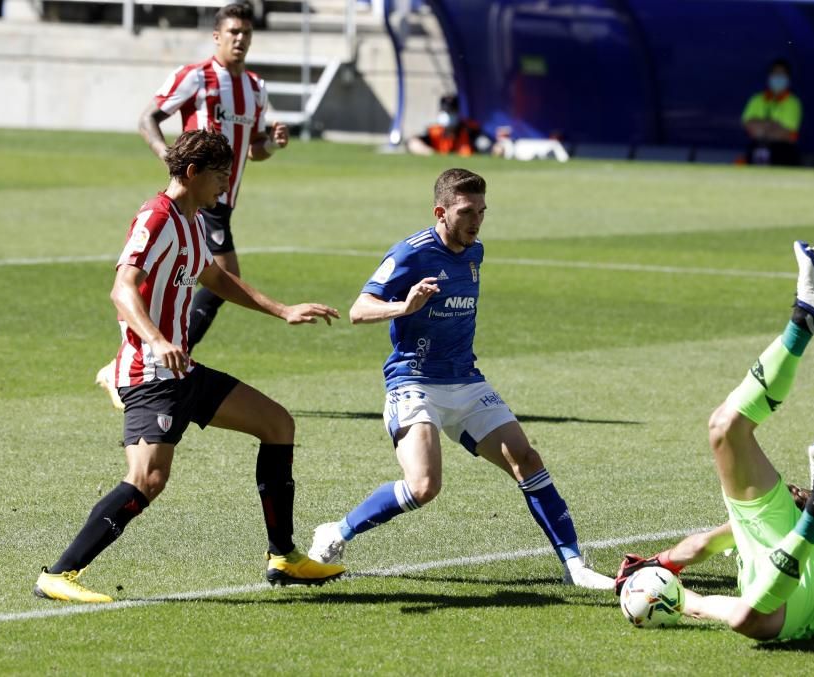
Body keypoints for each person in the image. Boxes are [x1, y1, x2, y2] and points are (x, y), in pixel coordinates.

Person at [34, 130, 345, 603]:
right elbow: (122, 289)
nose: (227, 184)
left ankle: (282, 556)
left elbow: (216, 278)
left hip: (183, 372)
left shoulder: (192, 220)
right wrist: (157, 340)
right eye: (221, 174)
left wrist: (282, 309)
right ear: (194, 172)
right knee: (148, 480)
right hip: (149, 375)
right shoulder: (155, 219)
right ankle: (58, 574)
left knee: (278, 424)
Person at [307, 168, 614, 590]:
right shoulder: (410, 254)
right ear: (441, 211)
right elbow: (360, 309)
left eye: (482, 211)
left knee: (527, 460)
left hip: (466, 382)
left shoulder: (475, 251)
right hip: (413, 382)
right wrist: (405, 307)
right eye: (467, 211)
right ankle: (336, 532)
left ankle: (575, 567)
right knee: (424, 486)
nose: (476, 221)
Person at [615, 241, 814, 640]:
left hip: (798, 606)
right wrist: (663, 571)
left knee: (743, 617)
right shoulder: (750, 525)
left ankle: (804, 321)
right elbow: (699, 553)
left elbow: (700, 549)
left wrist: (665, 576)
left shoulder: (747, 527)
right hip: (790, 594)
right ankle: (803, 323)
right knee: (724, 429)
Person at [96, 3, 288, 410]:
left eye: (247, 33)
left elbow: (253, 151)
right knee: (220, 278)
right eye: (233, 32)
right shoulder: (195, 76)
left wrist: (271, 143)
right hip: (197, 196)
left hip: (224, 199)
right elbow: (147, 117)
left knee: (192, 278)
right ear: (217, 36)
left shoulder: (255, 87)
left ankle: (153, 359)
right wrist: (170, 157)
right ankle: (147, 363)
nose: (240, 39)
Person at [742, 59, 802, 166]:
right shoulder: (756, 99)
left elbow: (788, 133)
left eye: (781, 74)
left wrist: (762, 126)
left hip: (783, 150)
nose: (778, 77)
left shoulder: (793, 102)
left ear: (788, 78)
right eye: (775, 73)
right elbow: (749, 125)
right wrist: (773, 125)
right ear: (769, 76)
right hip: (758, 146)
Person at [406, 95, 494, 157]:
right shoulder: (434, 131)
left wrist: (496, 149)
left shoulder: (470, 130)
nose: (447, 116)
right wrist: (429, 153)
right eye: (445, 112)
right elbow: (413, 143)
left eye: (451, 112)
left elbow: (486, 145)